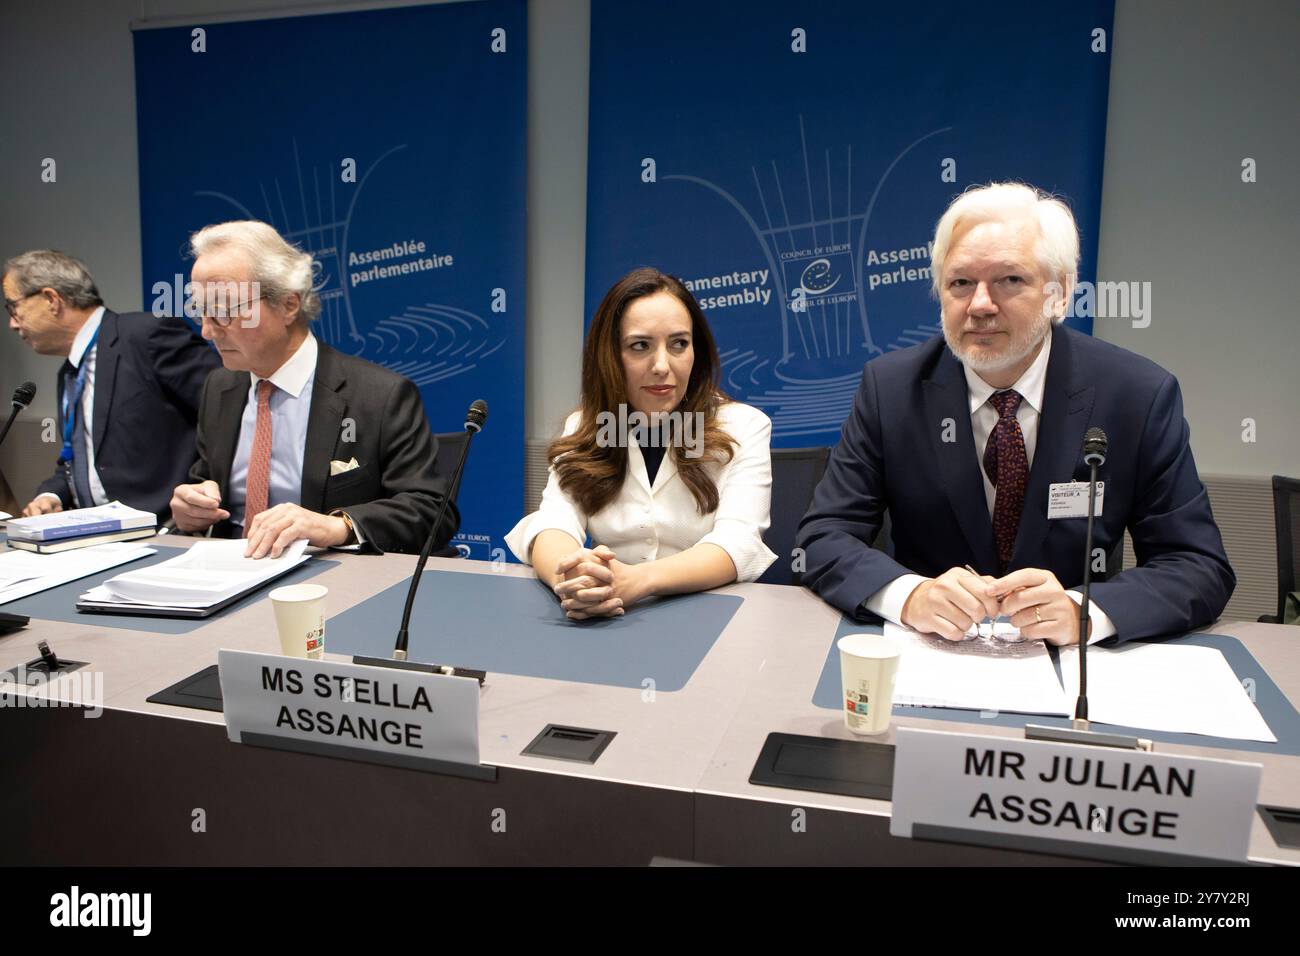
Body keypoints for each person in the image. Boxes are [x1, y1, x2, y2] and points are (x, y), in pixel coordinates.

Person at [796, 182, 1234, 645]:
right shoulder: (891, 389)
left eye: (1010, 280)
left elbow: (1198, 566)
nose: (980, 305)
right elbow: (823, 538)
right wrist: (910, 595)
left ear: (1060, 294)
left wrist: (1083, 611)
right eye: (961, 282)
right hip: (929, 651)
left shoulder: (1136, 395)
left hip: (1072, 665)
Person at [169, 220, 457, 557]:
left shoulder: (379, 396)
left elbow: (431, 511)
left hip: (327, 582)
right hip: (224, 575)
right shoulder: (220, 388)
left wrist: (335, 527)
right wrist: (191, 512)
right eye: (201, 311)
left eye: (222, 312)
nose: (206, 330)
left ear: (288, 305)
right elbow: (205, 486)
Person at [506, 267, 776, 618]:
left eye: (679, 344)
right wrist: (573, 575)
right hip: (612, 615)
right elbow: (552, 522)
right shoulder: (587, 426)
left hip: (711, 615)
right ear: (610, 356)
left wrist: (638, 580)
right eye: (640, 346)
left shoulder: (744, 426)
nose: (662, 365)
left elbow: (738, 544)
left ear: (697, 351)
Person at [4, 249, 220, 522]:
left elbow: (226, 415)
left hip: (163, 530)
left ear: (51, 299)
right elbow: (79, 460)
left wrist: (197, 497)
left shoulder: (147, 336)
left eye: (13, 306)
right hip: (96, 536)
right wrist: (51, 495)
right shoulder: (69, 374)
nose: (12, 323)